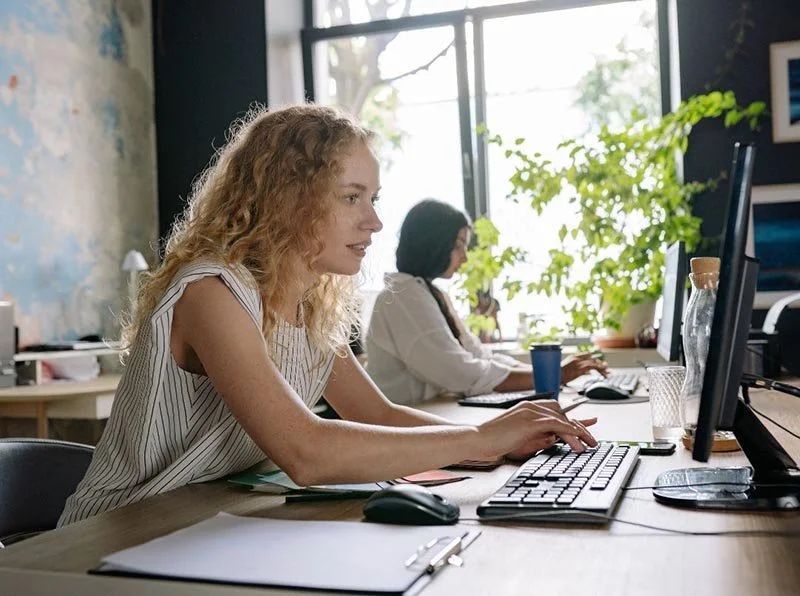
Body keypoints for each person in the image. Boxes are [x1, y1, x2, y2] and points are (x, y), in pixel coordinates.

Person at [58, 105, 596, 526]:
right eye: (351, 198)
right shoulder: (212, 293)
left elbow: (379, 416)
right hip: (116, 532)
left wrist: (496, 438)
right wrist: (481, 441)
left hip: (203, 519)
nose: (375, 222)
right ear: (288, 198)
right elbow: (306, 451)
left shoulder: (311, 303)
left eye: (374, 197)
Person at [366, 199, 608, 406]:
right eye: (459, 244)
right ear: (434, 242)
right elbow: (460, 372)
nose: (465, 256)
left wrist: (553, 374)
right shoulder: (402, 296)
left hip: (432, 412)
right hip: (409, 425)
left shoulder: (428, 293)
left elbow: (478, 354)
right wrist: (553, 376)